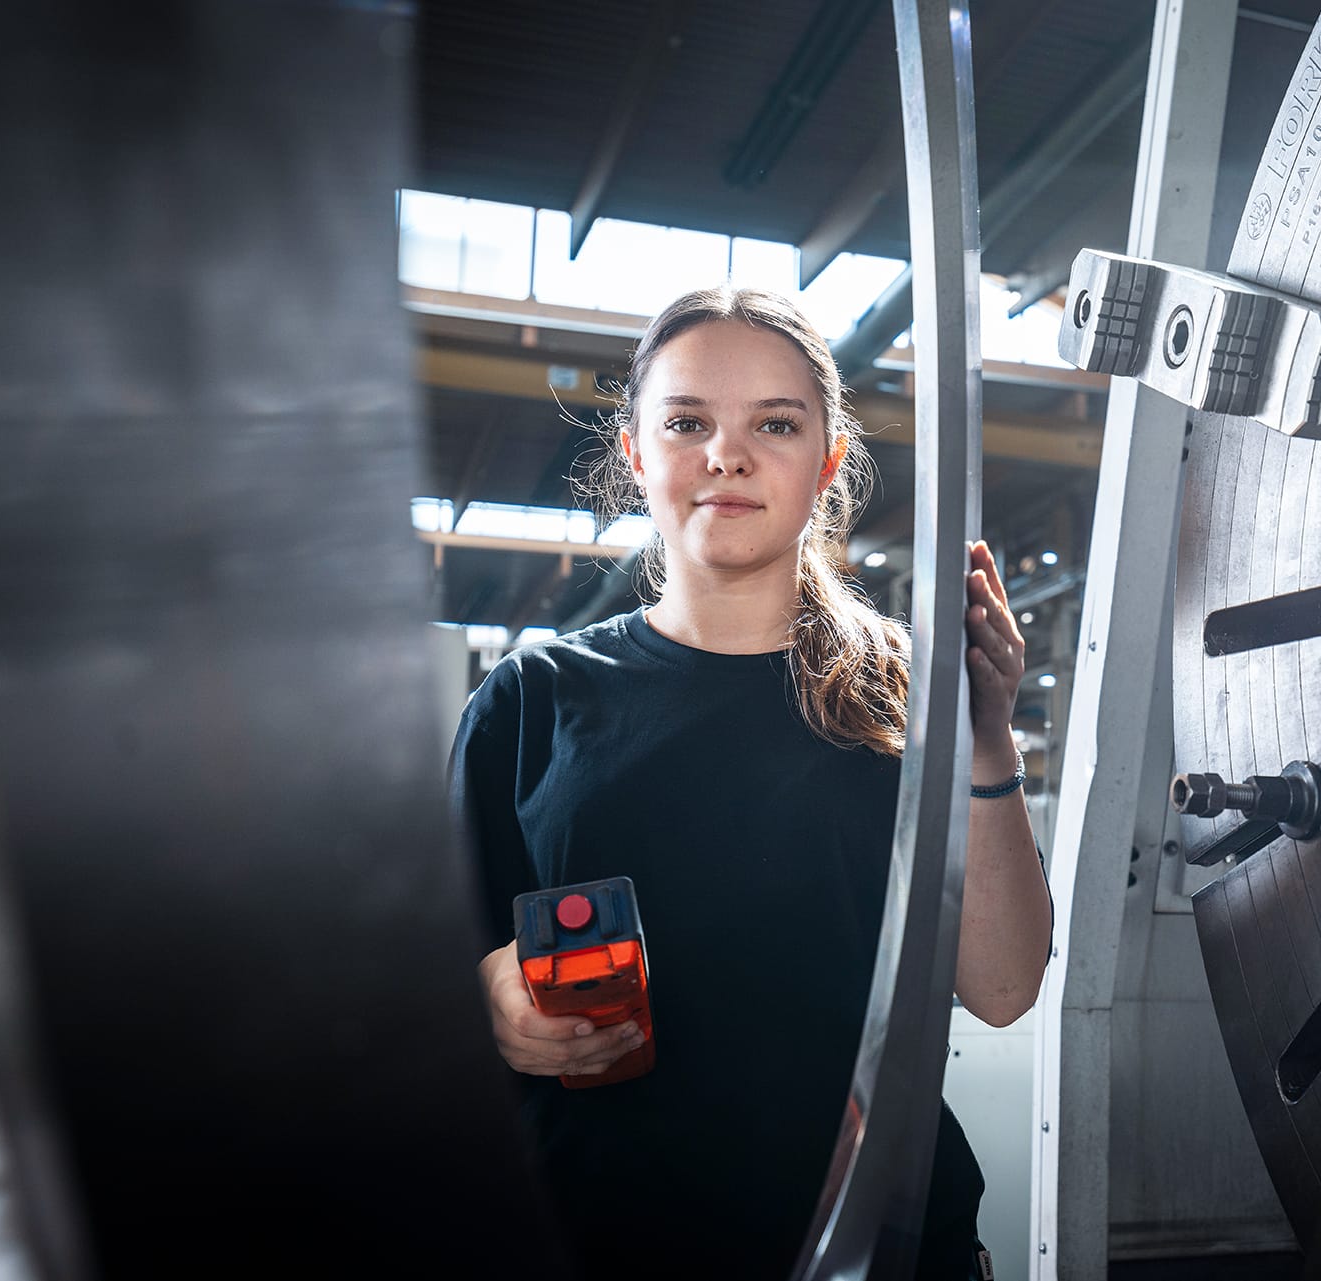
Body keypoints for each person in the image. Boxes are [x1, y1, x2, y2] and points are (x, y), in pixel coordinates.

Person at [450, 286, 1054, 1278]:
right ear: (638, 451)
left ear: (825, 460)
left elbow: (1002, 986)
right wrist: (494, 1003)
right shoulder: (531, 704)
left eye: (773, 423)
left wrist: (987, 739)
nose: (725, 455)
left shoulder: (909, 691)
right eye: (688, 423)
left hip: (876, 1247)